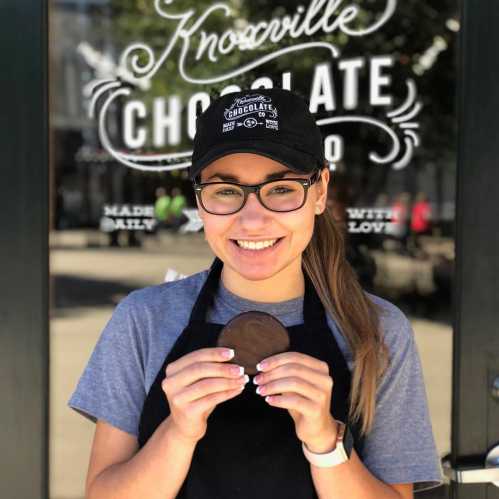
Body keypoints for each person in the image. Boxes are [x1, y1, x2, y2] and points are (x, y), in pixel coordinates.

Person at [68, 88, 443, 498]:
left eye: (281, 189)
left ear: (319, 193)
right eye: (226, 191)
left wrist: (326, 444)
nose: (252, 220)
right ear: (199, 200)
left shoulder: (378, 331)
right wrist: (177, 432)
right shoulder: (144, 319)